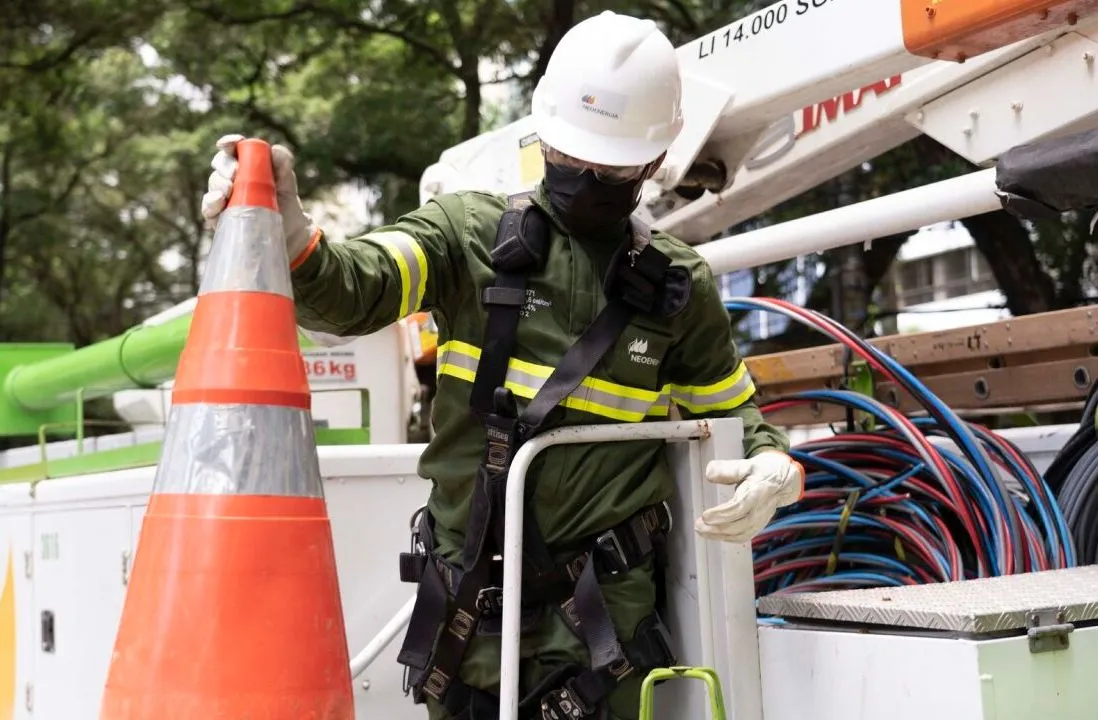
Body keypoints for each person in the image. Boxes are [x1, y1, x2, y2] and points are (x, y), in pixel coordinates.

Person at [201, 10, 803, 719]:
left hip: (603, 630)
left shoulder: (677, 288)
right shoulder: (465, 237)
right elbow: (353, 290)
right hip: (468, 620)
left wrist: (775, 468)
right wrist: (289, 234)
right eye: (575, 158)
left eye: (609, 168)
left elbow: (734, 415)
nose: (587, 178)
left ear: (654, 162)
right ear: (542, 135)